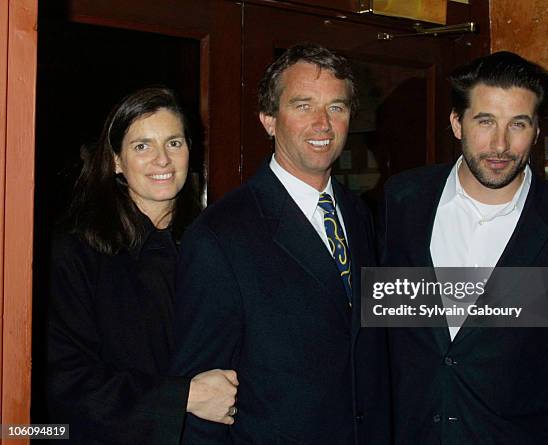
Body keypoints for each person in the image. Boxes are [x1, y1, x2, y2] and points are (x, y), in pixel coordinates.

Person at [379, 51, 548, 444]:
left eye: (517, 124)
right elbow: (381, 327)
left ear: (538, 130)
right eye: (485, 121)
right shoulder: (401, 202)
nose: (500, 144)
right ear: (457, 123)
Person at [170, 43, 390, 444]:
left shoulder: (359, 215)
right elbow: (201, 401)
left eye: (336, 108)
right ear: (269, 120)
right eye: (303, 106)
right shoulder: (219, 236)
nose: (322, 124)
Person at [47, 87, 239, 444]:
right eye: (142, 146)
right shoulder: (76, 251)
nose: (162, 159)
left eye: (174, 143)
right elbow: (64, 381)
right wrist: (183, 397)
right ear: (117, 160)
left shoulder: (215, 244)